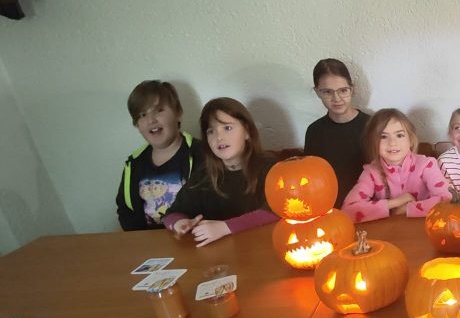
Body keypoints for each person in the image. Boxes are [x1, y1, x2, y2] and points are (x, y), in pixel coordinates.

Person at [164, 98, 278, 246]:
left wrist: (225, 227)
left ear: (247, 132)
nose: (219, 137)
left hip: (263, 250)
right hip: (220, 258)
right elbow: (171, 214)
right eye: (211, 131)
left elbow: (276, 210)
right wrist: (181, 223)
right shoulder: (204, 174)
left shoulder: (270, 167)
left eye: (227, 128)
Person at [116, 80, 204, 231]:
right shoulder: (134, 164)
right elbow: (126, 211)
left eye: (159, 110)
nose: (151, 120)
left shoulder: (202, 154)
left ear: (178, 113)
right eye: (142, 114)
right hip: (150, 246)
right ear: (137, 125)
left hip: (192, 240)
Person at [342, 109, 452, 222]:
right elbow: (348, 210)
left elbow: (447, 200)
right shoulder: (371, 172)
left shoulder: (426, 165)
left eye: (399, 135)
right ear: (372, 142)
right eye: (383, 137)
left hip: (424, 231)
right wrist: (394, 203)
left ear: (411, 140)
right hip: (386, 233)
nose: (392, 143)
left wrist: (407, 209)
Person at [303, 58, 370, 206]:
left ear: (351, 89)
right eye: (327, 92)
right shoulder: (314, 131)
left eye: (343, 90)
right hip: (330, 209)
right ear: (317, 92)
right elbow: (311, 179)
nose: (337, 99)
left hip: (370, 207)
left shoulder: (372, 126)